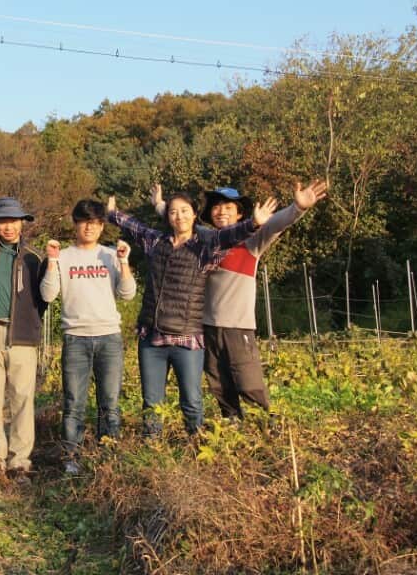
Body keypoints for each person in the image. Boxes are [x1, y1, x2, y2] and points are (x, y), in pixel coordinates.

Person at [107, 188, 276, 436]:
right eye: (173, 212)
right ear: (168, 216)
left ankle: (194, 445)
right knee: (152, 403)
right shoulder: (156, 242)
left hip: (186, 337)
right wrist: (112, 214)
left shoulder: (205, 248)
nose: (179, 216)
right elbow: (136, 227)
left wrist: (253, 224)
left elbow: (230, 235)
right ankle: (152, 447)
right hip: (152, 338)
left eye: (185, 211)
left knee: (192, 402)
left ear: (195, 215)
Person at [197, 180, 327, 422]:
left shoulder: (251, 242)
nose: (221, 211)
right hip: (207, 325)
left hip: (238, 326)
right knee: (217, 380)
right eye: (216, 207)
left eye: (228, 207)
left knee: (248, 380)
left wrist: (297, 208)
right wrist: (162, 206)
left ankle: (269, 422)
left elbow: (275, 224)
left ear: (240, 214)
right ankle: (232, 422)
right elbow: (182, 223)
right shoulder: (207, 241)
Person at [40, 199, 136, 475]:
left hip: (109, 338)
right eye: (84, 222)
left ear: (101, 226)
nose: (89, 227)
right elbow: (48, 295)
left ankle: (109, 458)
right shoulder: (64, 256)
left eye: (95, 223)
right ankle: (72, 458)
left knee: (110, 403)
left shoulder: (110, 255)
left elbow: (127, 294)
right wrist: (52, 261)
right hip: (75, 339)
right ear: (75, 223)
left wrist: (124, 261)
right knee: (73, 403)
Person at [0, 197, 47, 476]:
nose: (9, 227)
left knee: (23, 398)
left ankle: (20, 461)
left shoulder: (35, 258)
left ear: (22, 223)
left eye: (14, 221)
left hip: (23, 335)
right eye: (3, 221)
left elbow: (46, 297)